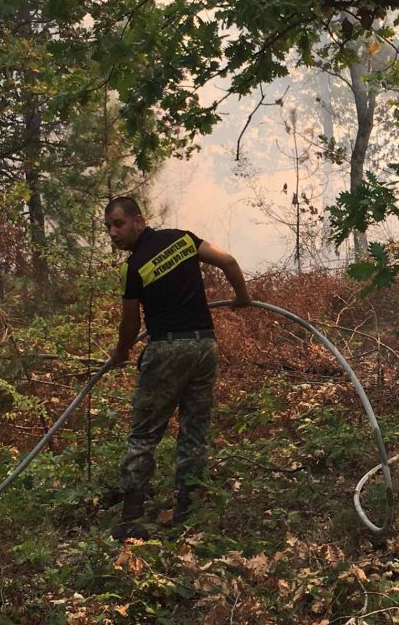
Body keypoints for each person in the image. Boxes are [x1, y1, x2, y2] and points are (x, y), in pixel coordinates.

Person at [104, 195, 251, 541]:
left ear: (139, 221)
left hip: (167, 349)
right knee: (194, 429)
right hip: (204, 347)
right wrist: (241, 297)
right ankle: (188, 510)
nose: (113, 233)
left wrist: (121, 352)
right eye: (108, 227)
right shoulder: (183, 240)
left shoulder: (133, 267)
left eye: (118, 224)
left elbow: (129, 325)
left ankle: (130, 519)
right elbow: (228, 261)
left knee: (143, 434)